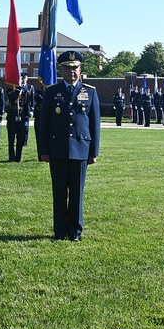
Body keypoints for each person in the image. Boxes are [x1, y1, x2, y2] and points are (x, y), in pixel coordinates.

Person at [38, 51, 100, 242]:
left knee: (76, 194)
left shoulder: (90, 92)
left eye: (74, 68)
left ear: (80, 70)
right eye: (67, 68)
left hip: (80, 149)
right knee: (59, 192)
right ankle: (59, 231)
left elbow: (94, 124)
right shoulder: (51, 92)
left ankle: (75, 232)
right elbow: (43, 124)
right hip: (57, 150)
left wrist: (93, 152)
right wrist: (44, 151)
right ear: (61, 70)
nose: (71, 72)